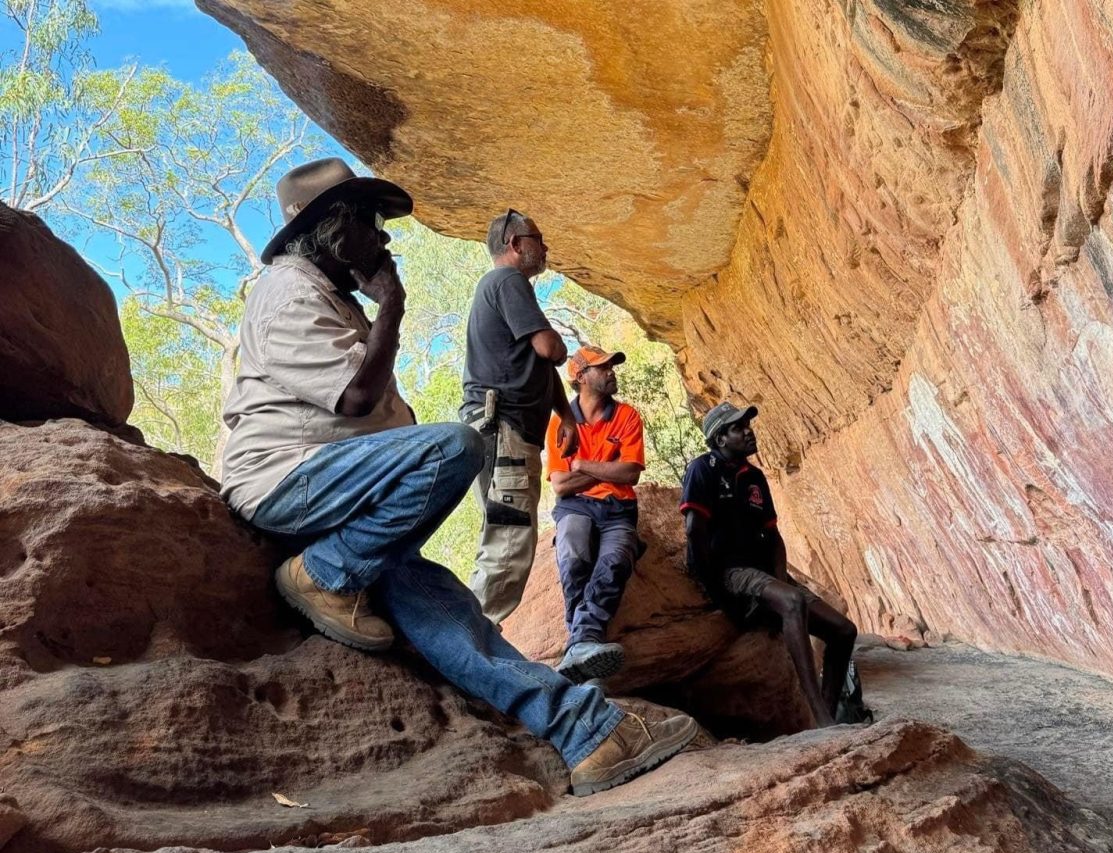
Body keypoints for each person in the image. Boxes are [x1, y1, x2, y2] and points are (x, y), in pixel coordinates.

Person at [220, 158, 697, 795]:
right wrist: (390, 303)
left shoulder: (326, 297)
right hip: (291, 481)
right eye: (370, 221)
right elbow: (357, 399)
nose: (383, 238)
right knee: (452, 447)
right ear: (332, 227)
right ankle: (326, 572)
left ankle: (590, 736)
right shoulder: (287, 294)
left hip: (341, 496)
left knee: (453, 618)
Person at [679, 402, 858, 727]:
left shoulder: (755, 477)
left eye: (748, 425)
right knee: (791, 604)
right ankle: (819, 716)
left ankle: (829, 714)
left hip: (763, 571)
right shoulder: (702, 469)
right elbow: (694, 531)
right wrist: (717, 590)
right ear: (720, 438)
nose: (748, 431)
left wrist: (780, 581)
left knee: (844, 630)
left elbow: (772, 535)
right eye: (738, 428)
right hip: (732, 571)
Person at [460, 209, 579, 626]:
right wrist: (560, 344)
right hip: (502, 425)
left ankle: (474, 636)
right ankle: (471, 643)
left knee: (506, 535)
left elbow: (539, 366)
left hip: (503, 427)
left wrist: (566, 416)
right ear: (514, 243)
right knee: (508, 540)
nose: (544, 247)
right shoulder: (507, 281)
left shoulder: (505, 288)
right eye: (538, 238)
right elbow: (552, 351)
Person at [545, 346, 645, 683]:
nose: (611, 372)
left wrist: (583, 465)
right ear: (580, 376)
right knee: (573, 554)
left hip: (618, 510)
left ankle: (578, 642)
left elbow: (630, 473)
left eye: (611, 366)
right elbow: (560, 485)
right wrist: (608, 469)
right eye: (603, 368)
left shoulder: (627, 416)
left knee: (616, 560)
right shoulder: (560, 421)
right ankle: (585, 641)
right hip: (575, 506)